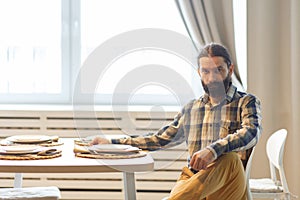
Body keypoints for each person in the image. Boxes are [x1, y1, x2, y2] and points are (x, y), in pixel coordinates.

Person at [91, 43, 262, 200]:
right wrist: (112, 142)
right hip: (193, 178)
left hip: (228, 185)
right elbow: (158, 139)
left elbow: (251, 132)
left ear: (230, 69)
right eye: (206, 72)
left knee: (229, 158)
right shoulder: (191, 109)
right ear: (199, 73)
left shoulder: (246, 102)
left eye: (219, 70)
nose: (212, 78)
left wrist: (213, 150)